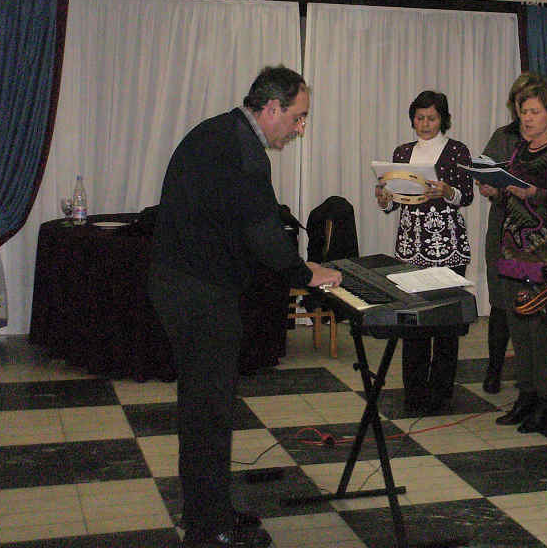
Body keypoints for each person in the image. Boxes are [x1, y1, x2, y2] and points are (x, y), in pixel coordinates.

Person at [148, 66, 342, 548]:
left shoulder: (219, 131)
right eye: (298, 117)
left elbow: (238, 223)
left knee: (205, 410)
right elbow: (263, 232)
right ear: (272, 108)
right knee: (208, 414)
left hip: (182, 284)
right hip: (199, 294)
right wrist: (305, 274)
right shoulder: (244, 151)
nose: (300, 128)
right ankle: (209, 529)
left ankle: (212, 510)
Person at [479, 77, 547, 433]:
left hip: (546, 253)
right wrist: (495, 190)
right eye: (523, 112)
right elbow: (508, 195)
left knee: (543, 329)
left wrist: (532, 193)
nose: (526, 118)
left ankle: (546, 401)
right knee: (518, 325)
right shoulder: (519, 151)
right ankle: (525, 395)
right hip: (512, 247)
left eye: (534, 112)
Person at [376, 90, 474, 414]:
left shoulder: (457, 150)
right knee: (412, 322)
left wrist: (447, 190)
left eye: (431, 118)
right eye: (419, 118)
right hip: (411, 245)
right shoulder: (402, 152)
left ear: (442, 119)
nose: (425, 123)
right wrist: (385, 199)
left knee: (445, 322)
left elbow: (467, 196)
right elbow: (395, 200)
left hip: (447, 244)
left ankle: (441, 392)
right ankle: (414, 392)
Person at [479, 73, 536, 394]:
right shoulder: (503, 136)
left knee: (531, 304)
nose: (524, 112)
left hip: (535, 232)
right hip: (502, 226)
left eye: (531, 105)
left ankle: (532, 377)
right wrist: (488, 185)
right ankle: (494, 369)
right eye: (519, 104)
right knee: (500, 302)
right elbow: (484, 172)